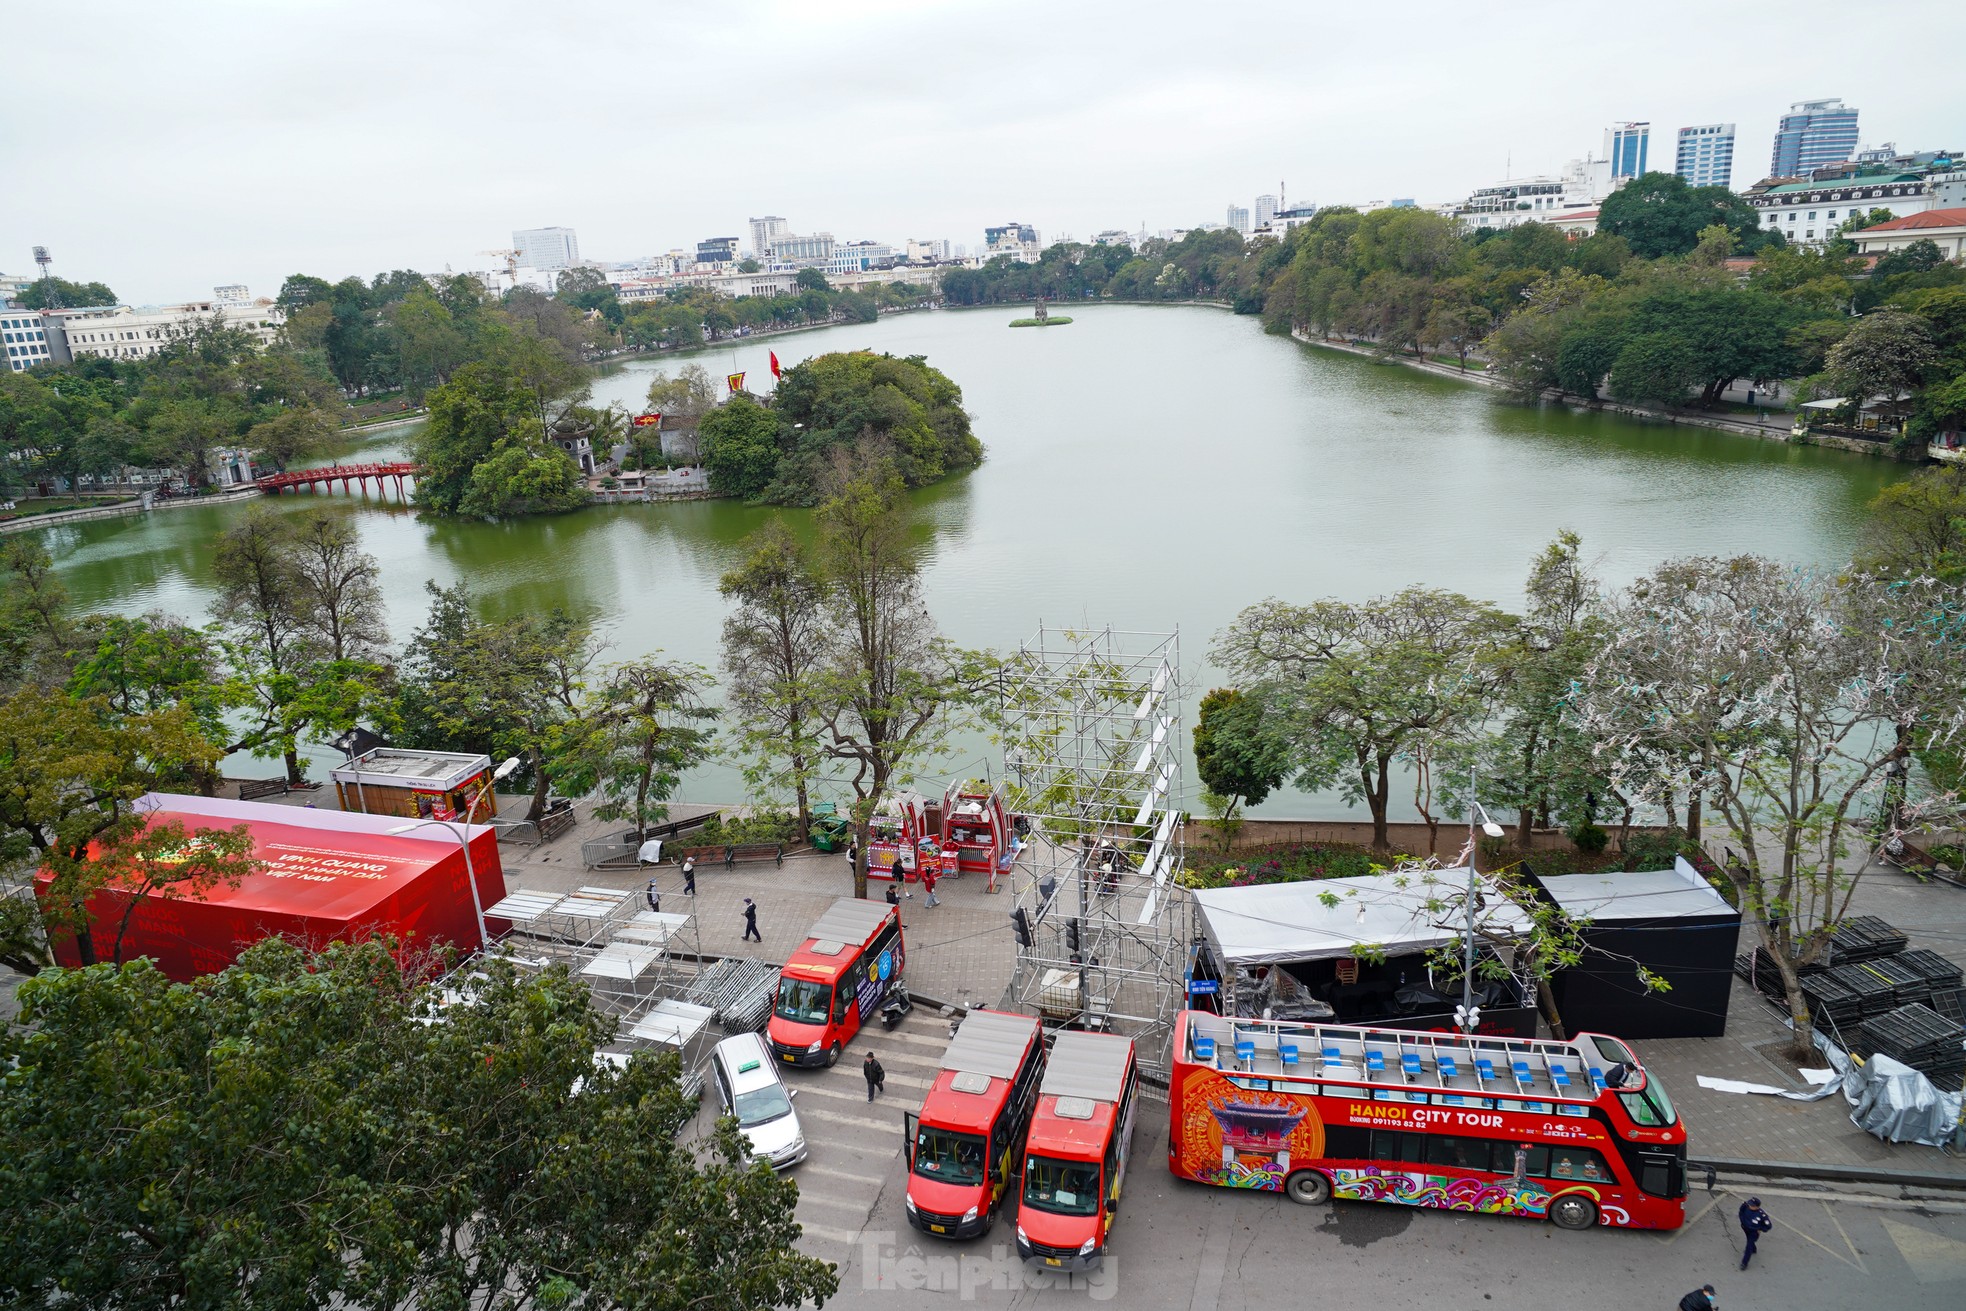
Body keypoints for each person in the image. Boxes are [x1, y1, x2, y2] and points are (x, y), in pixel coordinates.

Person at [1738, 1197, 1771, 1270]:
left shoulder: (1762, 1215)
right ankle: (1754, 1249)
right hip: (1745, 1228)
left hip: (1754, 1232)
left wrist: (1760, 1229)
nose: (1750, 1206)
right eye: (1749, 1204)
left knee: (1748, 1246)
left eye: (1752, 1205)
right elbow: (1741, 1211)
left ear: (1757, 1207)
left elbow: (1768, 1226)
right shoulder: (1746, 1207)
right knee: (1749, 1241)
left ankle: (1744, 1263)